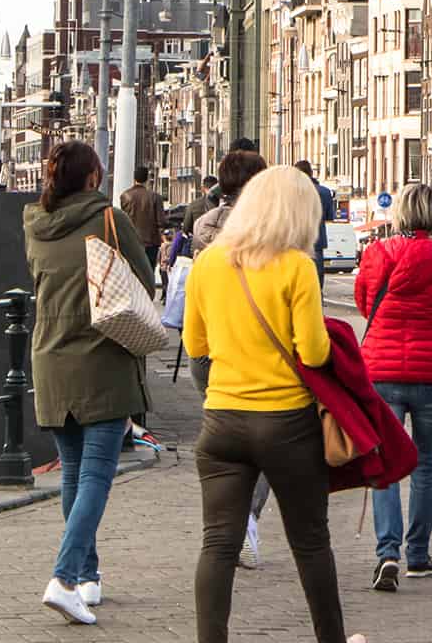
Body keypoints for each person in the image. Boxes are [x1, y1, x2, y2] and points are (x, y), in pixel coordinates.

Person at [182, 166, 366, 643]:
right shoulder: (296, 266)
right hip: (286, 424)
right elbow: (313, 351)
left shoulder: (207, 263)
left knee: (218, 545)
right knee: (310, 543)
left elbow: (194, 342)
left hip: (221, 422)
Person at [23, 140, 157, 625]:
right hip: (102, 360)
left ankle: (86, 578)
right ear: (92, 178)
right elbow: (144, 280)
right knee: (98, 474)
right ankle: (62, 578)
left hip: (50, 358)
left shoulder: (34, 226)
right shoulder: (107, 219)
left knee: (75, 475)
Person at [355, 182, 432, 589]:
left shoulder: (376, 253)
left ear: (398, 214)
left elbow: (366, 305)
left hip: (381, 373)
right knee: (426, 464)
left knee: (384, 464)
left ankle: (387, 553)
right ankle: (418, 555)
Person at [187, 147, 272, 567]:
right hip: (254, 352)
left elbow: (192, 322)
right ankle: (245, 519)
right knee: (271, 446)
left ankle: (224, 528)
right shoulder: (272, 235)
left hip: (208, 355)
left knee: (224, 445)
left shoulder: (204, 230)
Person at [119, 166, 165, 278]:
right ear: (147, 179)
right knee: (148, 275)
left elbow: (123, 220)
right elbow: (161, 222)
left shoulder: (125, 196)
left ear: (134, 178)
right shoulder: (155, 197)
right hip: (151, 242)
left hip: (131, 242)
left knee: (132, 275)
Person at [296, 160, 335, 284]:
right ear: (311, 173)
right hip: (317, 240)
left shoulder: (292, 192)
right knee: (317, 276)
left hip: (296, 241)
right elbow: (330, 216)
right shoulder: (324, 192)